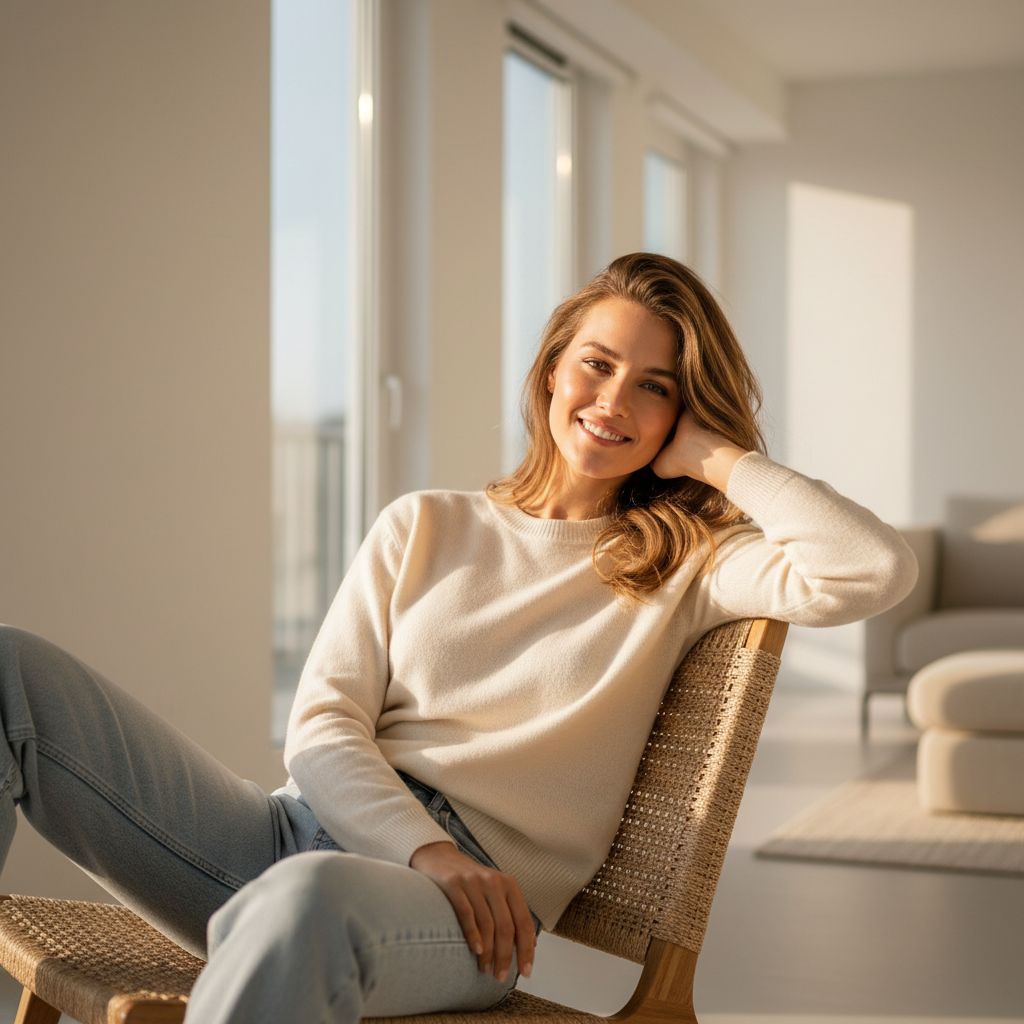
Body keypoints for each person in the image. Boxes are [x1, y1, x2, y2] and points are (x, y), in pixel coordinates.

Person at [0, 253, 917, 1023]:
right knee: (9, 673)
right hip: (291, 835)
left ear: (684, 411)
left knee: (304, 901)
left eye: (655, 387)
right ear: (552, 369)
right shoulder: (424, 524)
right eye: (596, 365)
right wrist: (416, 844)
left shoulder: (690, 565)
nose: (612, 400)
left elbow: (873, 567)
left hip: (468, 911)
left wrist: (716, 458)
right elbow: (323, 728)